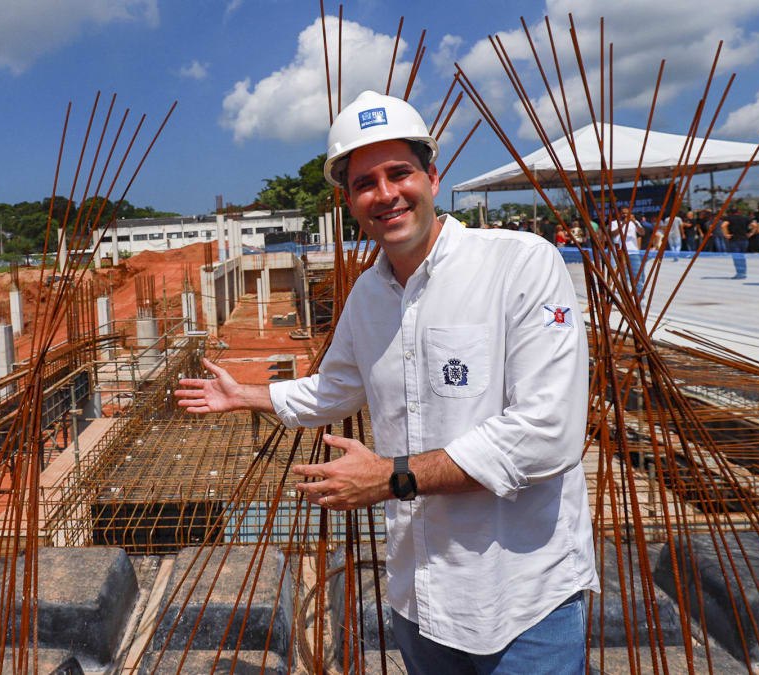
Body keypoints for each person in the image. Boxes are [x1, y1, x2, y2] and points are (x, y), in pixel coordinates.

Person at [175, 90, 597, 674]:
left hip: (522, 600)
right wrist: (246, 395)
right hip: (419, 596)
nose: (385, 194)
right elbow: (334, 389)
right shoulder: (369, 295)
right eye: (364, 182)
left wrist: (391, 478)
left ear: (432, 174)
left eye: (399, 172)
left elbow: (547, 433)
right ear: (349, 201)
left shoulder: (519, 264)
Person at [719, 205, 753, 279]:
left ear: (731, 212)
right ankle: (743, 272)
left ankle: (739, 273)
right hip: (744, 240)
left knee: (736, 257)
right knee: (742, 256)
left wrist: (726, 234)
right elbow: (755, 225)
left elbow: (723, 226)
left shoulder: (729, 218)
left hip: (734, 240)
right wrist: (751, 233)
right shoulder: (745, 218)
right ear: (739, 212)